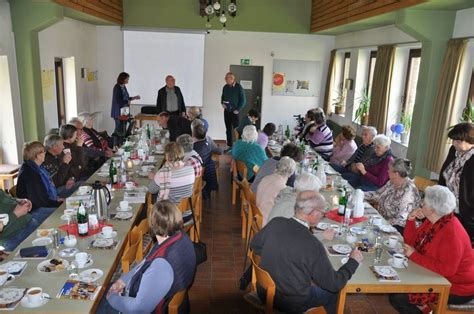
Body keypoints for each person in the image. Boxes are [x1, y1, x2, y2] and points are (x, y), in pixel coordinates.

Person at [251, 190, 363, 314]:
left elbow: (255, 245)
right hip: (292, 303)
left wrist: (282, 263)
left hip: (264, 291)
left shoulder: (276, 222)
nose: (323, 216)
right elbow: (334, 283)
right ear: (314, 213)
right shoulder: (313, 244)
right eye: (322, 213)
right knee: (335, 293)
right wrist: (353, 261)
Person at [390, 185, 474, 313]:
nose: (421, 205)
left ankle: (424, 309)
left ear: (432, 209)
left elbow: (447, 270)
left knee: (399, 297)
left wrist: (414, 255)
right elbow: (413, 243)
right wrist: (411, 220)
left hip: (456, 287)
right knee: (398, 284)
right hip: (437, 277)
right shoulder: (435, 220)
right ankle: (424, 308)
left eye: (424, 203)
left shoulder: (452, 233)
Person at [106, 200, 196, 313]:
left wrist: (112, 297)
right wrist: (122, 280)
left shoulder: (161, 265)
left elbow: (139, 309)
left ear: (153, 226)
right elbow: (144, 263)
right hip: (149, 292)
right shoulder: (180, 237)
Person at [364, 159, 421, 234]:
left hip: (399, 228)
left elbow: (400, 218)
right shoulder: (392, 182)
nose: (387, 171)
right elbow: (377, 194)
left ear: (396, 173)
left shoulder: (408, 191)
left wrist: (380, 222)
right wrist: (360, 194)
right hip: (382, 220)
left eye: (389, 170)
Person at [438, 122, 474, 241]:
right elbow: (445, 174)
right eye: (453, 140)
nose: (454, 143)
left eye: (458, 141)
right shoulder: (453, 150)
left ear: (470, 141)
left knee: (458, 242)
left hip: (465, 213)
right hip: (447, 207)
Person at [148, 143, 195, 222]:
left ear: (167, 157)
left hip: (170, 218)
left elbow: (151, 189)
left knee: (152, 196)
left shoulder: (162, 174)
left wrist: (161, 170)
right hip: (188, 213)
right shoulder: (191, 170)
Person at [16, 141, 61, 224]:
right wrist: (59, 204)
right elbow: (40, 201)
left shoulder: (36, 168)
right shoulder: (30, 173)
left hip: (41, 204)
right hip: (34, 211)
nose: (45, 153)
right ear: (36, 156)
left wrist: (57, 200)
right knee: (63, 212)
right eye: (43, 151)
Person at [256, 157, 296, 226]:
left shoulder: (266, 178)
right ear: (291, 173)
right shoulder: (282, 188)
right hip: (266, 221)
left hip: (257, 215)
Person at [192, 123, 218, 199]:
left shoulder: (194, 148)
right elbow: (218, 150)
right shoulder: (208, 143)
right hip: (209, 173)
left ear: (193, 135)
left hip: (200, 176)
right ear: (205, 134)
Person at [221, 72, 246, 148]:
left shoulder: (238, 87)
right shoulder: (225, 87)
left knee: (236, 129)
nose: (225, 79)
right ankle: (229, 145)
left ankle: (238, 145)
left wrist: (238, 109)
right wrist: (222, 103)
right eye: (225, 78)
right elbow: (222, 98)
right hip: (227, 111)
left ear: (232, 79)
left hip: (235, 112)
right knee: (228, 129)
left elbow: (243, 100)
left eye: (227, 78)